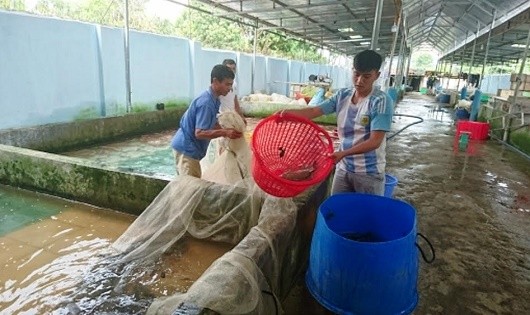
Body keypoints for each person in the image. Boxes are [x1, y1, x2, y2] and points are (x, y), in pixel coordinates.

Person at [279, 49, 394, 196]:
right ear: (352, 71)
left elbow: (375, 142)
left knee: (366, 217)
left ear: (376, 75)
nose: (359, 81)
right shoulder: (342, 95)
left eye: (366, 76)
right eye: (356, 74)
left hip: (368, 173)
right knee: (335, 212)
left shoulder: (380, 101)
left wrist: (344, 153)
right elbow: (315, 111)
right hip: (344, 167)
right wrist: (287, 114)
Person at [171, 64, 243, 178]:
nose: (230, 88)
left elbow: (212, 123)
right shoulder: (206, 103)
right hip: (186, 150)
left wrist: (227, 129)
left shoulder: (215, 99)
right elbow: (199, 133)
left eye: (231, 84)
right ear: (215, 81)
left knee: (191, 185)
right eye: (227, 84)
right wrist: (225, 132)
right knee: (191, 189)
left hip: (189, 149)